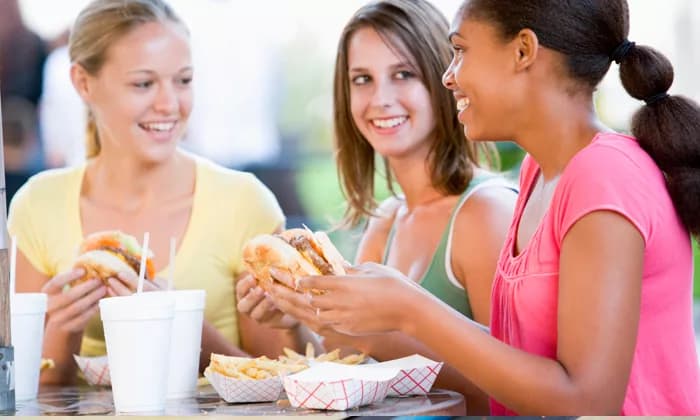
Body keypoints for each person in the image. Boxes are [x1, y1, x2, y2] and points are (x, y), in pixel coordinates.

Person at [266, 0, 700, 415]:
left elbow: (588, 403)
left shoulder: (606, 173)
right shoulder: (539, 173)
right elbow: (515, 369)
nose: (449, 77)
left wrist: (410, 308)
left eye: (460, 51)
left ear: (523, 51)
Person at [236, 0, 516, 413]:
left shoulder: (485, 212)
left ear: (445, 80)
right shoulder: (387, 221)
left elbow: (511, 391)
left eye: (403, 74)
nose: (380, 98)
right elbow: (355, 365)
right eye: (362, 79)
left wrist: (355, 331)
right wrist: (296, 323)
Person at [7, 0, 304, 385]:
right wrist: (63, 329)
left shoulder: (244, 203)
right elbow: (27, 393)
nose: (170, 105)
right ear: (83, 82)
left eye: (183, 80)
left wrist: (179, 323)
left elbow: (277, 385)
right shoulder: (37, 205)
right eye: (144, 84)